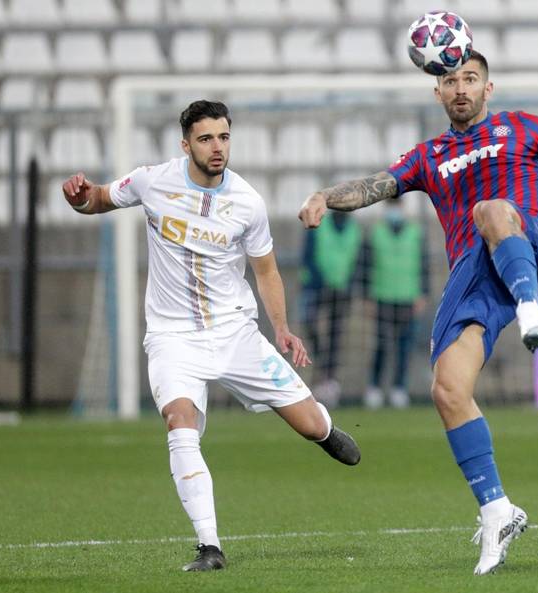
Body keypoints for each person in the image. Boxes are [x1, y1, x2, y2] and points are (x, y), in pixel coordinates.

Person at [298, 53, 538, 575]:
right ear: (437, 93)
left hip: (525, 242)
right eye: (450, 81)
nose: (461, 88)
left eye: (470, 79)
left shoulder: (521, 127)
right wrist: (326, 195)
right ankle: (498, 510)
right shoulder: (428, 155)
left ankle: (531, 308)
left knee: (491, 209)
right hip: (473, 277)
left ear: (489, 87)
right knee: (447, 388)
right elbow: (377, 185)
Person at [62, 100, 360, 573]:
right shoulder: (152, 181)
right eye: (206, 138)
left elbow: (266, 271)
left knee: (308, 425)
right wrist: (77, 194)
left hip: (235, 334)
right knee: (180, 424)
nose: (217, 147)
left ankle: (323, 427)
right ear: (186, 145)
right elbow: (98, 199)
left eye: (223, 137)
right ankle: (209, 546)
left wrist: (281, 329)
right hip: (172, 337)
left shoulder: (247, 202)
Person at [361, 198, 430, 409]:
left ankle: (399, 388)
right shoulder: (375, 233)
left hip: (408, 297)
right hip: (382, 296)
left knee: (404, 347)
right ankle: (374, 387)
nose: (394, 210)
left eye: (397, 205)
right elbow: (365, 265)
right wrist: (367, 297)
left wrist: (423, 294)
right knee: (381, 345)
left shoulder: (416, 233)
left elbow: (423, 265)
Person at [298, 210, 362, 407]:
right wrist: (321, 280)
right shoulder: (318, 225)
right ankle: (320, 364)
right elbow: (308, 256)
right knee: (309, 323)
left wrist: (348, 284)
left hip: (342, 291)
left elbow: (357, 260)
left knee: (336, 334)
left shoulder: (354, 229)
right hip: (316, 287)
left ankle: (329, 380)